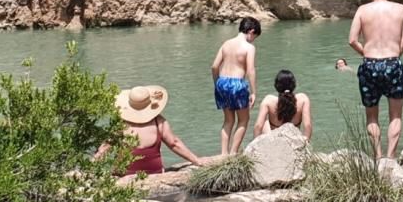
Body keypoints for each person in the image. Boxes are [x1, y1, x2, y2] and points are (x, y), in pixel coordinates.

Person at [348, 0, 403, 159]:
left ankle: (377, 156)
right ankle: (390, 158)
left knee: (372, 116)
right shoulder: (401, 9)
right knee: (396, 116)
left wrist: (366, 53)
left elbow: (352, 40)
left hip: (369, 63)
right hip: (393, 61)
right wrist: (393, 58)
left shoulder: (362, 10)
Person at [96, 85, 202, 175]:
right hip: (154, 172)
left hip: (125, 174)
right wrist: (196, 160)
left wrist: (90, 167)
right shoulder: (158, 121)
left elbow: (104, 149)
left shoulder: (121, 125)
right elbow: (174, 143)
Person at [211, 16, 261, 155]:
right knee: (244, 120)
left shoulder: (226, 43)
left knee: (228, 120)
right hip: (237, 84)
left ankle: (223, 154)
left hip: (222, 82)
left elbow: (214, 66)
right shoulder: (249, 47)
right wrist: (253, 92)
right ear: (251, 31)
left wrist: (217, 84)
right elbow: (250, 70)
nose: (253, 39)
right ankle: (233, 153)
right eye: (254, 36)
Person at [253, 69, 313, 141]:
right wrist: (305, 143)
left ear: (276, 85)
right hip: (293, 140)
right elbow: (307, 126)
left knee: (265, 123)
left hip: (276, 140)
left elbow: (258, 126)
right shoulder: (303, 99)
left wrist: (256, 145)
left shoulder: (268, 101)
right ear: (293, 85)